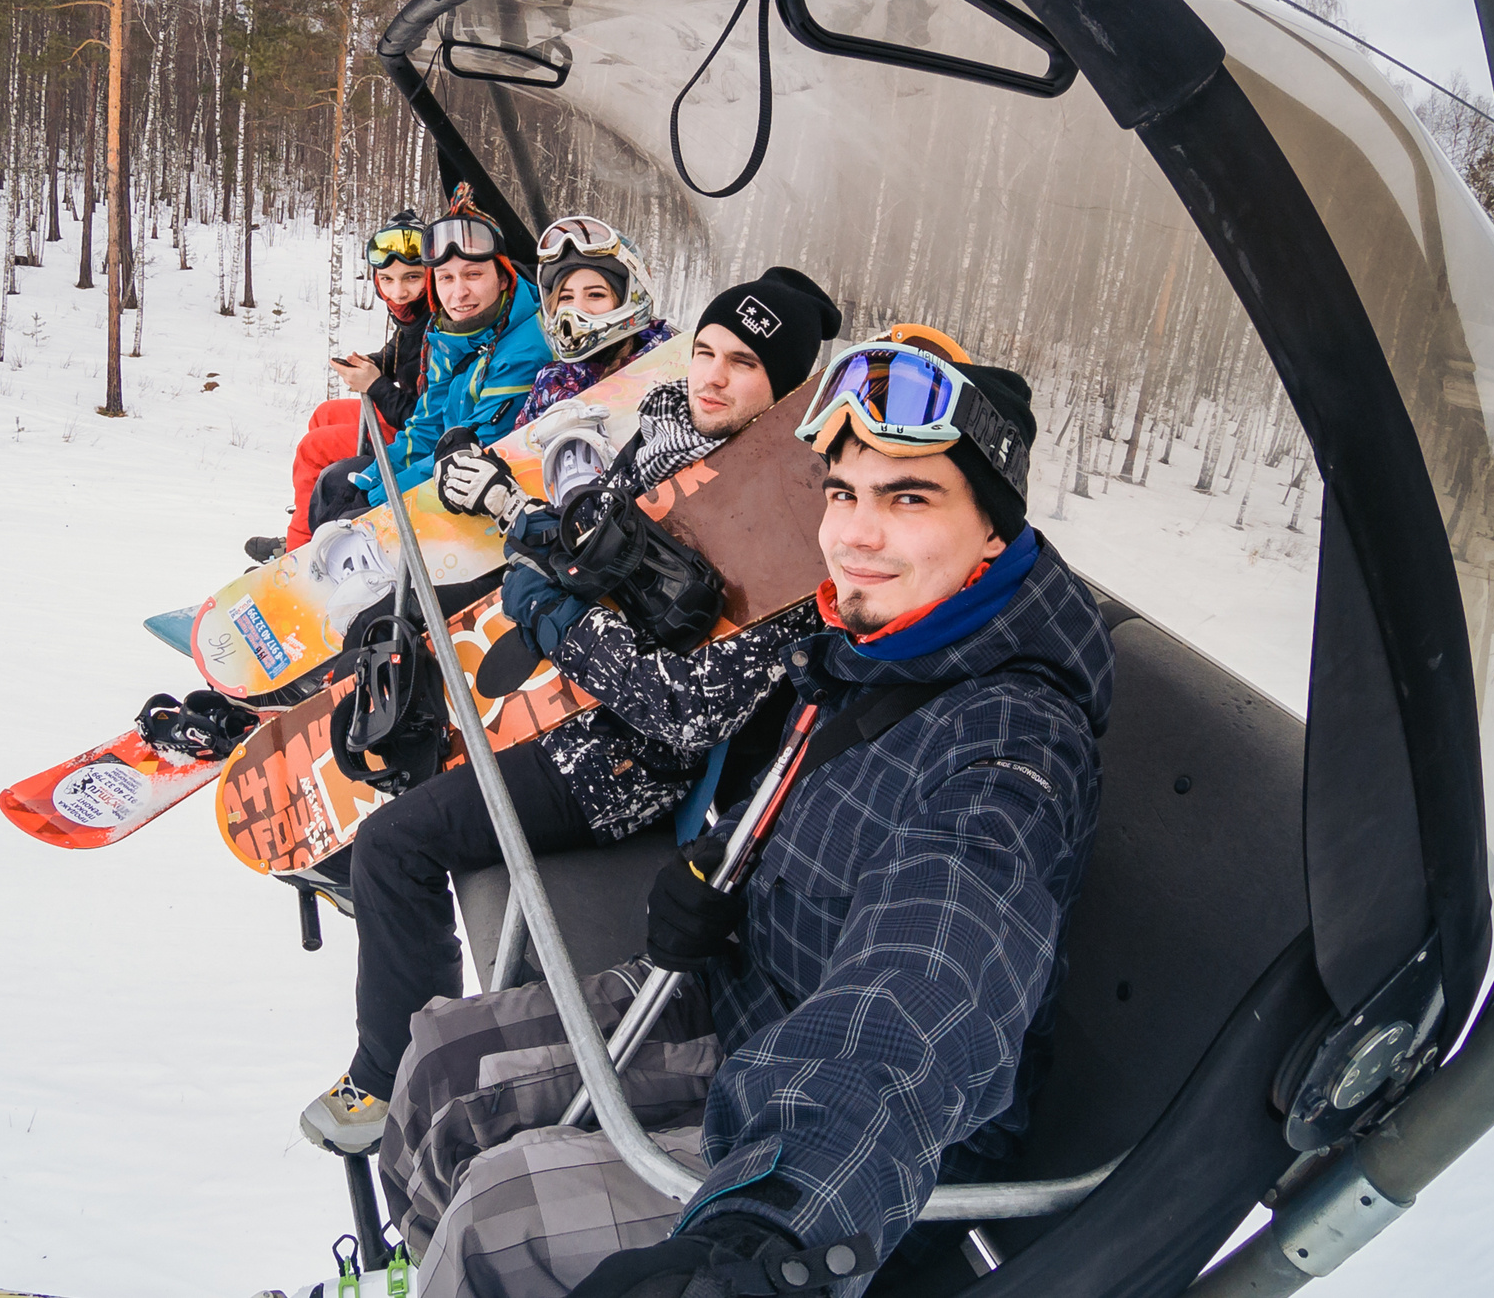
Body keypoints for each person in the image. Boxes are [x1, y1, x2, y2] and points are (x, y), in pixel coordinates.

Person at [372, 326, 1116, 1298]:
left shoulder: (1010, 753)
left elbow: (926, 983)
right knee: (437, 1066)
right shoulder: (879, 646)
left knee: (502, 1219)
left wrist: (763, 1238)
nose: (853, 531)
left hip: (838, 1141)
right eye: (842, 493)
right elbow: (819, 798)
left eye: (910, 497)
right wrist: (726, 862)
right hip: (745, 986)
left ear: (992, 524)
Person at [295, 268, 845, 1160]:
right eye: (704, 350)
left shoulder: (785, 534)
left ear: (780, 394)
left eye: (741, 365)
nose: (710, 376)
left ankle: (389, 1071)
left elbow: (680, 711)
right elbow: (589, 541)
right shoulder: (668, 434)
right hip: (560, 699)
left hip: (619, 764)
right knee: (397, 732)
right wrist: (523, 527)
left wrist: (557, 616)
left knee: (397, 845)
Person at [307, 187, 553, 536]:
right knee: (336, 483)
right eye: (446, 278)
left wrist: (377, 502)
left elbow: (475, 452)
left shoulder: (525, 350)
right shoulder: (447, 335)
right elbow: (426, 427)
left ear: (502, 277)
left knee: (348, 509)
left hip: (476, 494)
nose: (458, 293)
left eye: (473, 275)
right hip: (439, 470)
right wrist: (374, 478)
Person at [248, 211, 434, 563]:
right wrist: (372, 363)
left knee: (314, 449)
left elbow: (427, 416)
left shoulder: (437, 318)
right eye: (388, 279)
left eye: (412, 278)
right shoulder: (414, 316)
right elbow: (400, 353)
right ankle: (307, 521)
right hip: (405, 415)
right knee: (325, 414)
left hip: (418, 435)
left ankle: (299, 551)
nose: (399, 291)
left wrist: (376, 384)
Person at [511, 216, 674, 431]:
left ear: (629, 298)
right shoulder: (551, 380)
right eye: (566, 298)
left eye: (595, 295)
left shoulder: (671, 369)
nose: (578, 309)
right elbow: (518, 451)